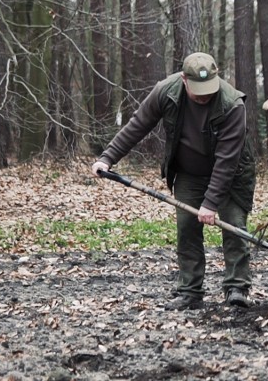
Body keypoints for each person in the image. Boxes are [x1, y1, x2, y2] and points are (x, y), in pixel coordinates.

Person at [91, 52, 256, 311]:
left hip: (232, 175)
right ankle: (190, 291)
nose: (204, 96)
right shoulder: (166, 92)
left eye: (208, 89)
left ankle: (237, 288)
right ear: (184, 80)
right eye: (198, 90)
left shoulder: (232, 104)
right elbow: (137, 125)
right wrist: (107, 158)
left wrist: (211, 203)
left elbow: (227, 160)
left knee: (233, 227)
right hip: (188, 173)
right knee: (186, 229)